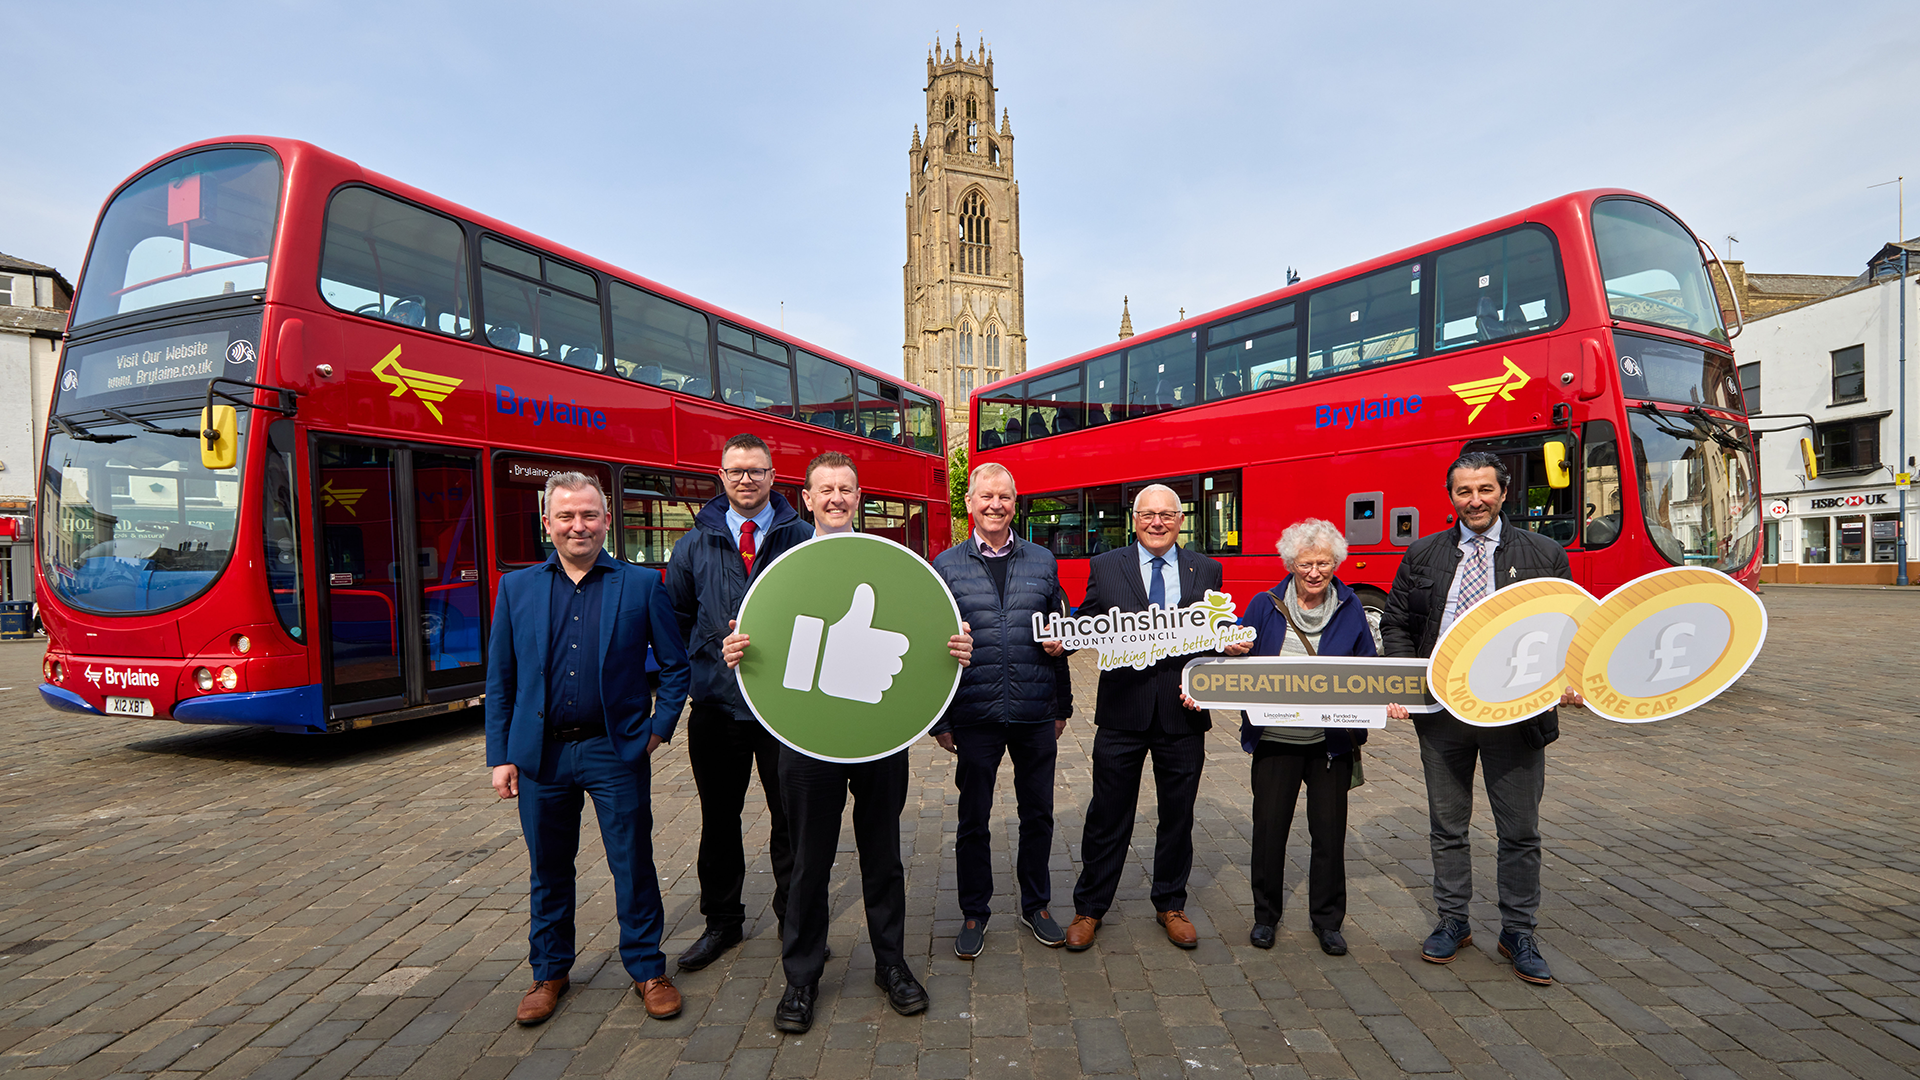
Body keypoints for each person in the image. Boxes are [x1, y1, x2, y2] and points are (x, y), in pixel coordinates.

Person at [719, 453, 972, 1034]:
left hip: (880, 734)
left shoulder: (892, 563)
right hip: (805, 740)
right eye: (824, 489)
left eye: (846, 489)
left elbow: (929, 635)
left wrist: (954, 651)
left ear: (860, 498)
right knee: (808, 861)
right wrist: (731, 651)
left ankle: (891, 963)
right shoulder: (780, 563)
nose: (836, 498)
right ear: (805, 498)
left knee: (883, 856)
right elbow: (756, 643)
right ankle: (801, 978)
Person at [485, 472, 690, 1025]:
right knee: (548, 868)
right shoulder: (517, 588)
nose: (580, 525)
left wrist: (657, 728)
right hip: (541, 757)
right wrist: (501, 755)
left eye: (590, 515)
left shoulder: (641, 585)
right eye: (567, 516)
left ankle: (648, 967)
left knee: (633, 862)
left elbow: (676, 667)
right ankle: (549, 972)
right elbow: (502, 678)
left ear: (606, 521)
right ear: (547, 523)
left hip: (614, 752)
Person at [1383, 451, 1582, 986]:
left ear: (1503, 492)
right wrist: (1406, 682)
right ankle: (1453, 922)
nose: (1474, 501)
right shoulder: (1422, 554)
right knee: (1447, 827)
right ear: (1450, 496)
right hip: (1442, 715)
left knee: (1519, 831)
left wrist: (1571, 677)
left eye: (1485, 490)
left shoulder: (1544, 553)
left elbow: (1568, 628)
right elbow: (1397, 622)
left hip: (1514, 716)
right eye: (1464, 492)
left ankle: (1518, 930)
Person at [1065, 484, 1243, 951]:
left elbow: (1213, 632)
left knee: (1177, 816)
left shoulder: (1206, 569)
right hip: (1122, 711)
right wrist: (1062, 637)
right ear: (1135, 518)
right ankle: (1090, 908)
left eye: (1167, 514)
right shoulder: (1106, 566)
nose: (1157, 522)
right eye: (1148, 514)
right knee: (1107, 813)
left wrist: (1223, 655)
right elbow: (1086, 620)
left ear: (1180, 519)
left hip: (1183, 715)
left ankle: (1170, 903)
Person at [665, 433, 815, 972]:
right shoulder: (692, 544)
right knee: (719, 821)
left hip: (783, 710)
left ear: (774, 477)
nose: (746, 479)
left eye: (756, 470)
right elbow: (676, 620)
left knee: (789, 822)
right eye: (736, 470)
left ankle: (791, 919)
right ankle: (721, 923)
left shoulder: (803, 537)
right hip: (715, 708)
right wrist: (700, 666)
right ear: (721, 477)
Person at [930, 462, 1075, 957]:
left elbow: (1065, 625)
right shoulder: (944, 566)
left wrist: (1064, 702)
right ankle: (974, 911)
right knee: (974, 819)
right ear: (968, 504)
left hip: (1036, 710)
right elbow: (932, 648)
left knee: (1038, 815)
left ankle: (1037, 905)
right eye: (986, 497)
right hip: (974, 713)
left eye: (1005, 497)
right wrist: (942, 720)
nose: (996, 505)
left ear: (1016, 503)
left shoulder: (1042, 560)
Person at [1226, 519, 1376, 956]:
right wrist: (1231, 648)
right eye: (1307, 563)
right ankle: (1264, 917)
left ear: (1336, 564)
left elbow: (1368, 668)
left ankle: (1327, 921)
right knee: (1270, 831)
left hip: (1330, 743)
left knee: (1329, 836)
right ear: (1291, 563)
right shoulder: (1264, 604)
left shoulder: (1350, 608)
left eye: (1324, 563)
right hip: (1275, 740)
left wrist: (1387, 700)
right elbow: (1237, 654)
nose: (1315, 572)